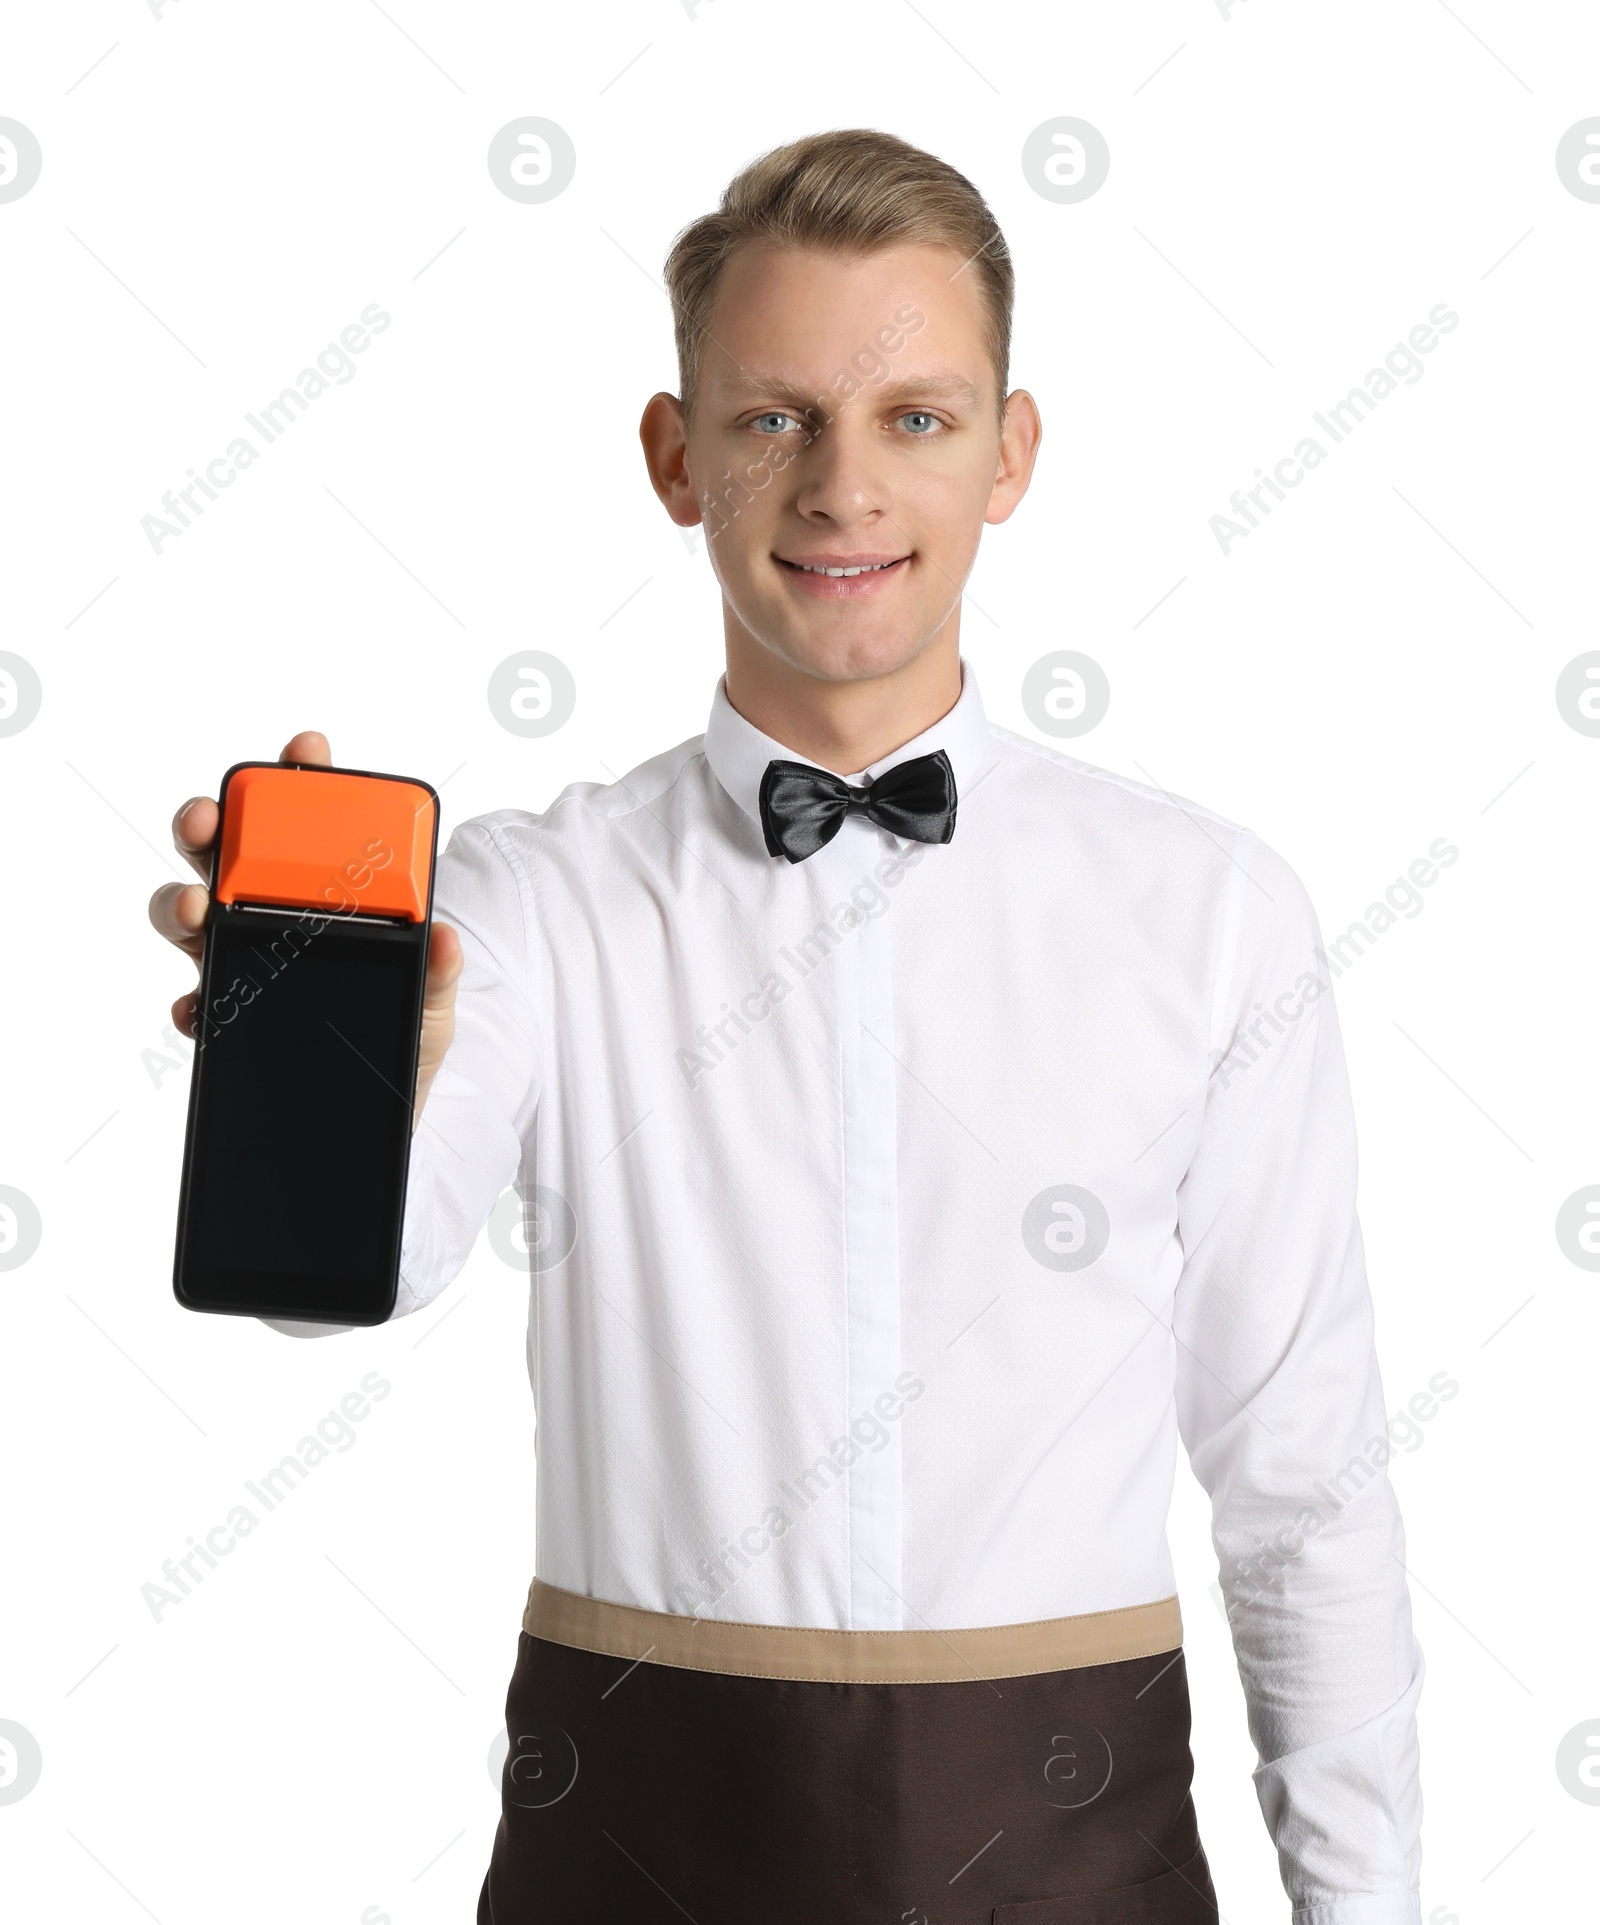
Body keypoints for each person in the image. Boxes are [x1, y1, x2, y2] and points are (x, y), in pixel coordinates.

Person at [152, 129, 1424, 1924]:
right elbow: (337, 1277)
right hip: (635, 1850)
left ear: (1011, 454)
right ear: (677, 459)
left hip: (1081, 1859)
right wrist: (322, 1083)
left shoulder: (1210, 913)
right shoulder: (526, 905)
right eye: (773, 419)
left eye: (916, 415)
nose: (843, 487)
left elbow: (1307, 1484)